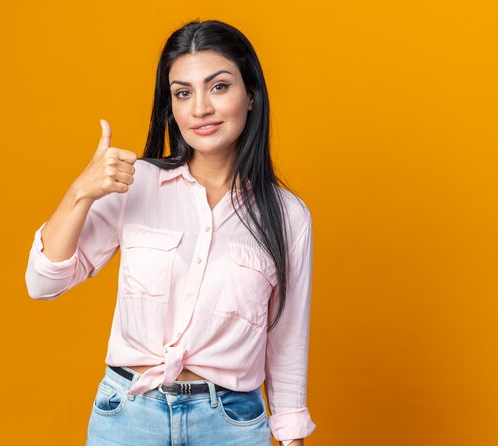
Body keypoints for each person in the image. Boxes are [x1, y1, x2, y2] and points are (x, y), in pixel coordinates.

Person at [25, 19, 316, 446]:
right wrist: (80, 193)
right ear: (171, 106)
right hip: (127, 420)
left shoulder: (288, 216)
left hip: (231, 426)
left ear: (250, 95)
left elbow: (287, 344)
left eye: (218, 87)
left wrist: (291, 437)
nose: (200, 108)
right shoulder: (135, 183)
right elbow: (41, 283)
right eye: (183, 93)